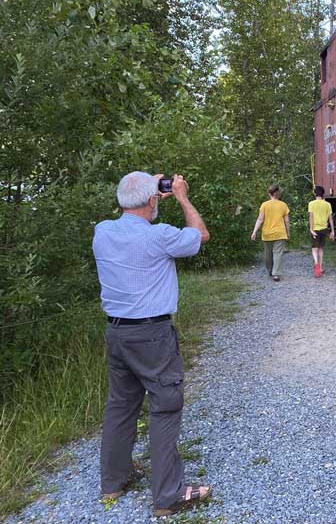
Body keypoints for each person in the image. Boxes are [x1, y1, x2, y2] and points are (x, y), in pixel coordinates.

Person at [92, 171, 212, 517]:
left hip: (117, 334)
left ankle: (113, 482)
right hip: (152, 335)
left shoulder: (102, 231)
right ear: (152, 200)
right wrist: (183, 196)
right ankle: (168, 496)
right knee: (164, 407)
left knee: (120, 407)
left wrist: (148, 189)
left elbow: (132, 217)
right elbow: (201, 235)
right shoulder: (159, 236)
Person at [250, 184, 290, 281]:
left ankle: (271, 270)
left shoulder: (264, 205)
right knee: (277, 254)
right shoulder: (283, 205)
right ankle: (275, 273)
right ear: (278, 193)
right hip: (280, 233)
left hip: (267, 233)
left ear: (269, 194)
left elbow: (260, 219)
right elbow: (287, 221)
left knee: (268, 254)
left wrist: (254, 231)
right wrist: (288, 232)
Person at [308, 185, 334, 278]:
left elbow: (311, 217)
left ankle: (316, 264)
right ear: (323, 194)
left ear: (315, 193)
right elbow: (330, 218)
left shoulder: (311, 204)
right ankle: (321, 268)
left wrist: (311, 229)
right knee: (321, 248)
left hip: (315, 229)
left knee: (314, 248)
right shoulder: (327, 204)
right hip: (324, 229)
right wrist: (332, 231)